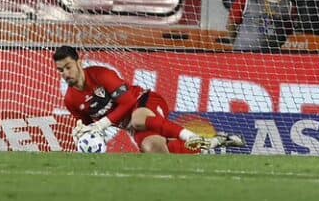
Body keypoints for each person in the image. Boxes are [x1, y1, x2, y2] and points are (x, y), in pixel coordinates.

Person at [53, 46, 246, 154]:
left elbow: (128, 102)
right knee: (157, 151)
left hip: (146, 102)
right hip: (131, 126)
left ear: (79, 62)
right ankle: (211, 143)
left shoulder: (101, 75)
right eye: (60, 70)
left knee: (138, 118)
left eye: (68, 67)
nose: (65, 73)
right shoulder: (71, 101)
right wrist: (83, 134)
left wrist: (103, 124)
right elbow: (90, 127)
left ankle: (192, 137)